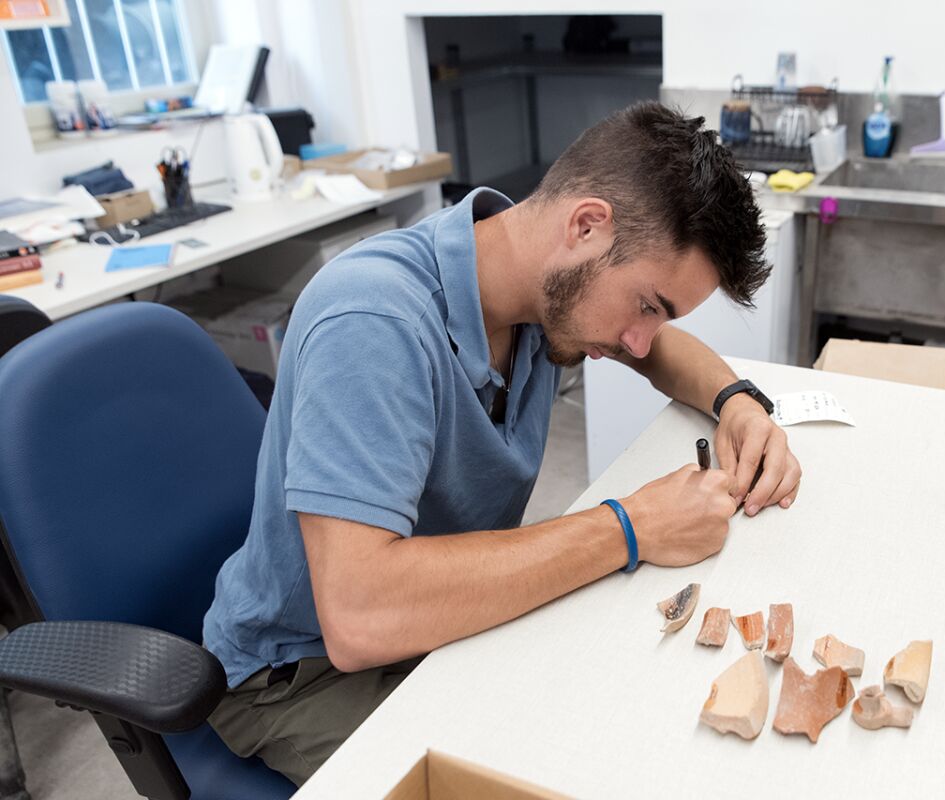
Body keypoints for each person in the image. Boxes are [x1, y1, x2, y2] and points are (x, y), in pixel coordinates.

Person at [203, 101, 802, 785]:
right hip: (304, 672)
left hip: (436, 624)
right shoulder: (373, 321)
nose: (640, 342)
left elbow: (662, 352)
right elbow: (359, 616)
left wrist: (737, 403)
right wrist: (630, 527)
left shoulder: (542, 289)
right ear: (585, 225)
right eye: (647, 305)